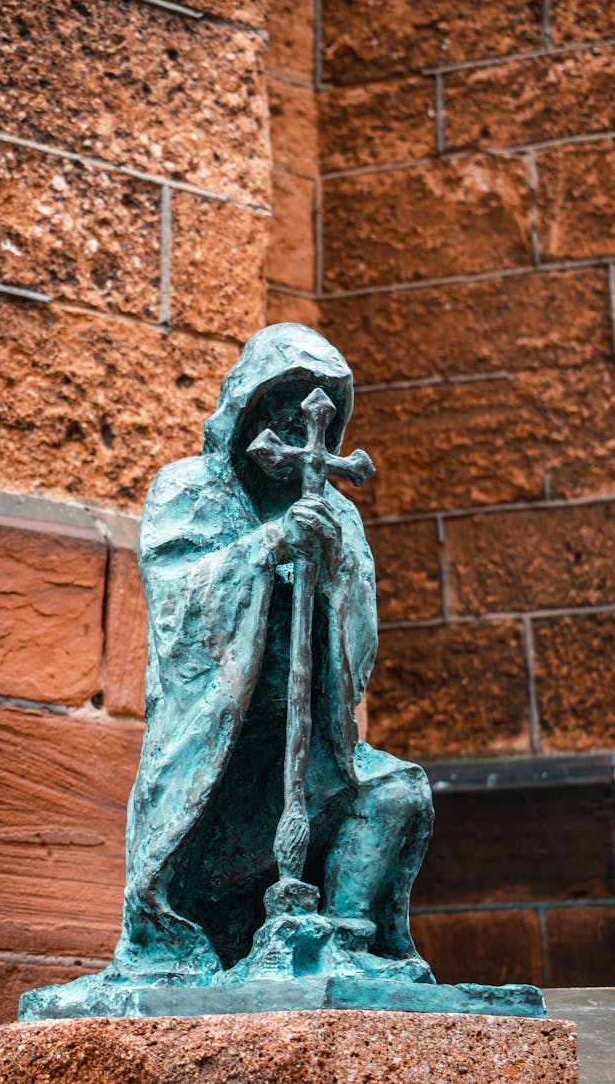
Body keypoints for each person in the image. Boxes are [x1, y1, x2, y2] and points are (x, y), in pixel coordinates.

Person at [113, 322, 434, 984]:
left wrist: (338, 574)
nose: (299, 436)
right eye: (281, 416)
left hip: (304, 765)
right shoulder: (186, 494)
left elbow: (358, 657)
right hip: (219, 783)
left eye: (315, 420)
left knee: (394, 788)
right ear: (245, 413)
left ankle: (340, 940)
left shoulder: (336, 513)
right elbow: (180, 606)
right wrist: (270, 549)